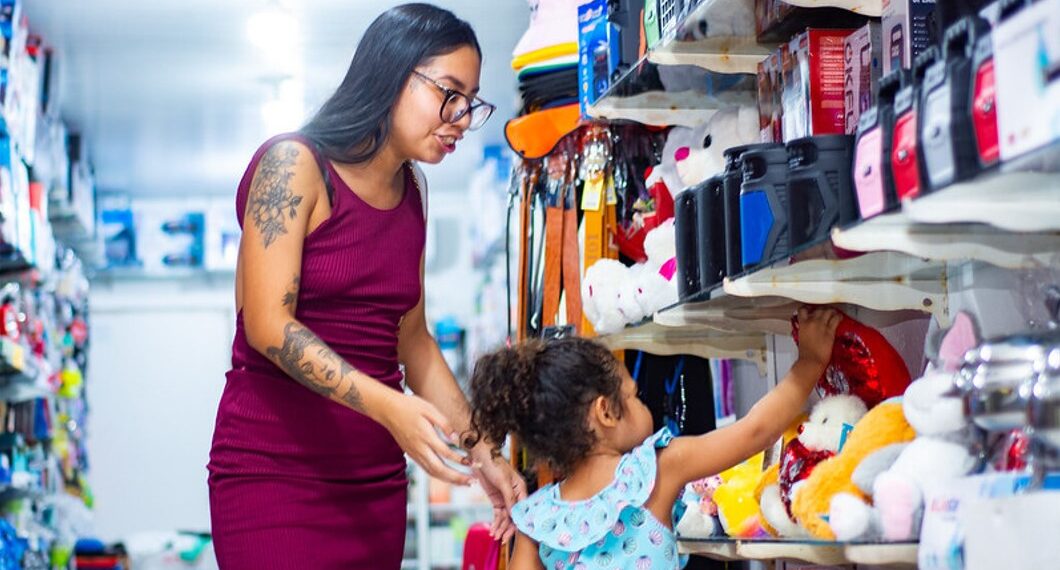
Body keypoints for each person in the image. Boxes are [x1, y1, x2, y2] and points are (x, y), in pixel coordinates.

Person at [207, 4, 526, 568]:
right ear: (391, 72)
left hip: (372, 484)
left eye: (471, 100)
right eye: (448, 92)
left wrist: (483, 451)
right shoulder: (292, 164)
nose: (460, 115)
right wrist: (390, 407)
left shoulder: (414, 193)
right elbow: (267, 325)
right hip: (272, 472)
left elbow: (415, 342)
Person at [469, 306, 842, 569]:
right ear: (606, 412)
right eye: (633, 396)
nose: (640, 403)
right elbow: (755, 431)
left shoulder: (537, 518)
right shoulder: (656, 469)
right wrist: (809, 363)